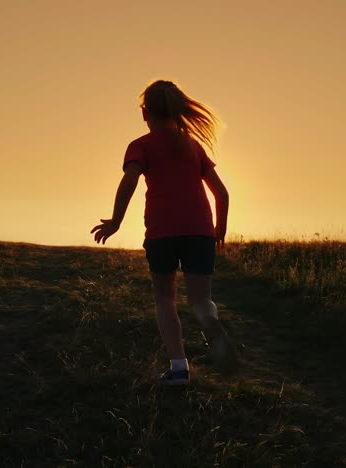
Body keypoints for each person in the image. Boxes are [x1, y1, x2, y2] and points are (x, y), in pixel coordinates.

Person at [91, 79, 238, 385]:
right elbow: (222, 193)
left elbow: (129, 181)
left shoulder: (140, 146)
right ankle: (210, 322)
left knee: (164, 298)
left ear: (145, 112)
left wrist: (117, 221)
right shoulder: (192, 146)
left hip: (161, 232)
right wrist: (218, 229)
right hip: (199, 232)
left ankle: (179, 368)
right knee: (200, 300)